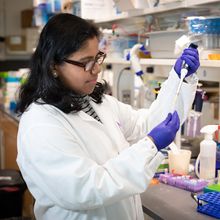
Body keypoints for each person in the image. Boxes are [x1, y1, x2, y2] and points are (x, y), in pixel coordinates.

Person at [16, 13, 199, 220]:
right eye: (85, 62)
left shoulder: (96, 102)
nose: (96, 70)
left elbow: (147, 125)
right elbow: (87, 188)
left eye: (97, 58)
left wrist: (179, 80)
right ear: (53, 66)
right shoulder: (40, 124)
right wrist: (150, 145)